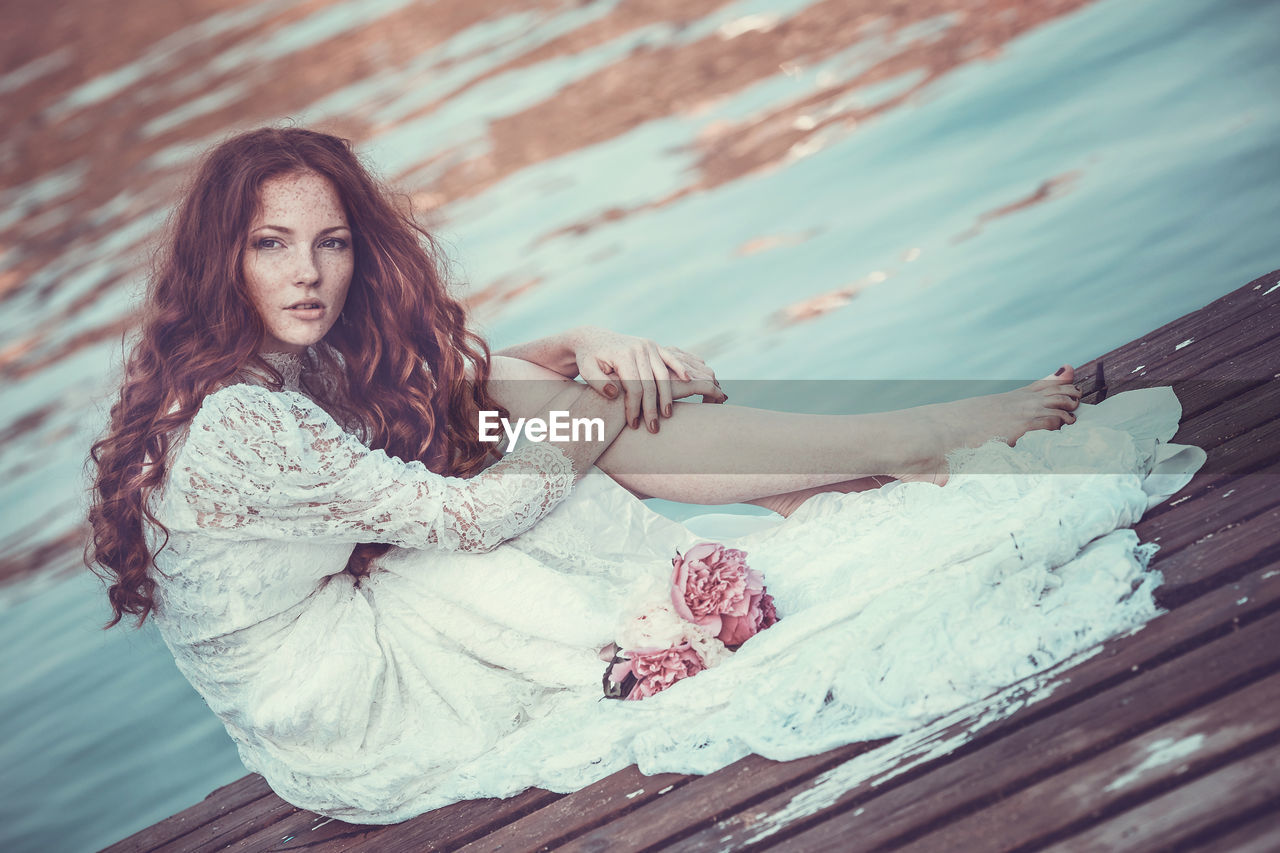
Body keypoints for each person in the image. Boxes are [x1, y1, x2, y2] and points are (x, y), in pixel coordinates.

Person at [87, 127, 1196, 824]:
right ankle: (884, 449)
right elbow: (471, 517)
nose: (309, 271)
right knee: (529, 464)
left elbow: (460, 385)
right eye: (273, 244)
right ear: (221, 258)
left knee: (513, 404)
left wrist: (587, 343)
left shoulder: (270, 365)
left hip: (329, 636)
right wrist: (586, 410)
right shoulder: (236, 422)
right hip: (339, 706)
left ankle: (867, 453)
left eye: (329, 241)